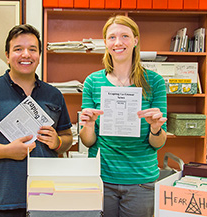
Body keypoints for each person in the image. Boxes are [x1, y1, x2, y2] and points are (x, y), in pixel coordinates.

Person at [0, 24, 73, 217]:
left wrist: (58, 142)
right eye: (18, 49)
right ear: (7, 55)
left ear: (39, 55)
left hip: (45, 199)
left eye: (32, 49)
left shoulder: (53, 95)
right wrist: (6, 151)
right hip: (0, 201)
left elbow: (67, 137)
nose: (26, 54)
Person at [79, 15, 167, 217]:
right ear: (105, 43)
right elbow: (87, 141)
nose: (118, 43)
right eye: (112, 37)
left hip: (141, 181)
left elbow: (158, 143)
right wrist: (90, 125)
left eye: (125, 36)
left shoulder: (154, 82)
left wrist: (155, 128)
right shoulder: (93, 81)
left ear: (135, 40)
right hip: (101, 178)